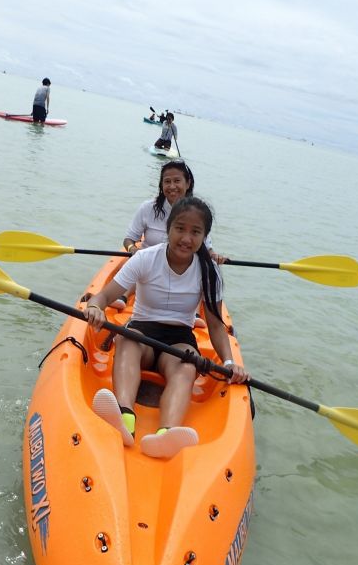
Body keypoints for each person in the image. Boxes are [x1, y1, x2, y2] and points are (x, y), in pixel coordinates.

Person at [85, 197, 249, 459]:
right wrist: (95, 307)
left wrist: (230, 363)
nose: (186, 238)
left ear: (204, 237)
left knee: (188, 365)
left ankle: (166, 433)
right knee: (127, 339)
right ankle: (125, 417)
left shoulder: (209, 272)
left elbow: (216, 326)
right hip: (142, 331)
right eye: (180, 229)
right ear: (169, 228)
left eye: (195, 232)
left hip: (179, 339)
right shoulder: (145, 258)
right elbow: (103, 297)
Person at [111, 160, 224, 310]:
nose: (172, 186)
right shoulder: (147, 208)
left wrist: (214, 256)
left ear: (188, 183)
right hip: (148, 265)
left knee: (200, 271)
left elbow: (207, 248)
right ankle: (122, 297)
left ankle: (196, 313)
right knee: (142, 264)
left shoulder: (197, 213)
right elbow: (129, 238)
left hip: (182, 266)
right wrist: (133, 249)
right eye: (167, 182)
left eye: (177, 181)